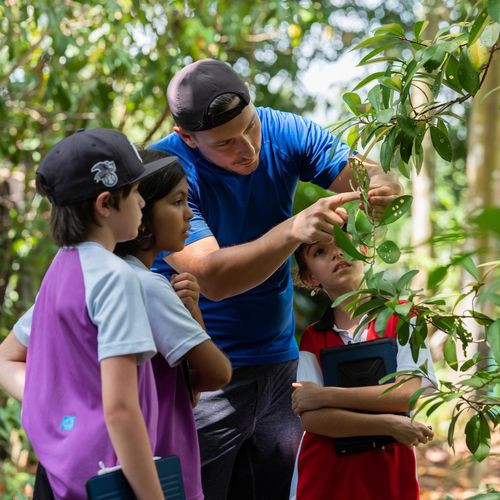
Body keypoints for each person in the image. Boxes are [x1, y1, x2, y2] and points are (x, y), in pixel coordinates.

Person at [150, 58, 402, 499]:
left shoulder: (283, 129)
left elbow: (364, 174)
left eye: (250, 128)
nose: (247, 149)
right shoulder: (164, 172)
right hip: (200, 375)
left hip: (279, 363)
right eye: (226, 143)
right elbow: (212, 278)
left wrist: (380, 187)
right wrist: (293, 230)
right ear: (187, 137)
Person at [0, 129, 175, 499]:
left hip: (60, 473)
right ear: (105, 203)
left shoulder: (60, 270)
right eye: (135, 192)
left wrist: (60, 407)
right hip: (109, 476)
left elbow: (6, 359)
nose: (143, 202)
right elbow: (121, 410)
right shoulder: (116, 278)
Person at [114, 149, 232, 500]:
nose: (189, 213)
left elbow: (186, 387)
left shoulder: (94, 275)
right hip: (160, 461)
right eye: (177, 201)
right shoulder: (150, 286)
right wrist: (191, 314)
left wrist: (191, 308)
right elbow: (216, 375)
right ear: (141, 211)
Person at [289, 234, 437, 500]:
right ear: (311, 277)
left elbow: (406, 394)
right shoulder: (313, 337)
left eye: (343, 243)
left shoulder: (404, 317)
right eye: (321, 251)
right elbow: (312, 419)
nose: (337, 253)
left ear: (365, 250)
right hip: (324, 477)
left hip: (388, 472)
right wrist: (389, 425)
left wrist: (325, 396)